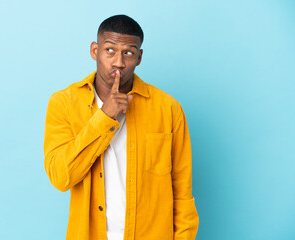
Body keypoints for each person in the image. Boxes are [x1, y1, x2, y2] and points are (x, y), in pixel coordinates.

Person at [44, 14, 199, 240]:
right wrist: (105, 116)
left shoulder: (168, 109)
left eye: (128, 52)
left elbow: (182, 193)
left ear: (139, 57)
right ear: (94, 51)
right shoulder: (63, 104)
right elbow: (61, 177)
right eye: (110, 50)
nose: (118, 62)